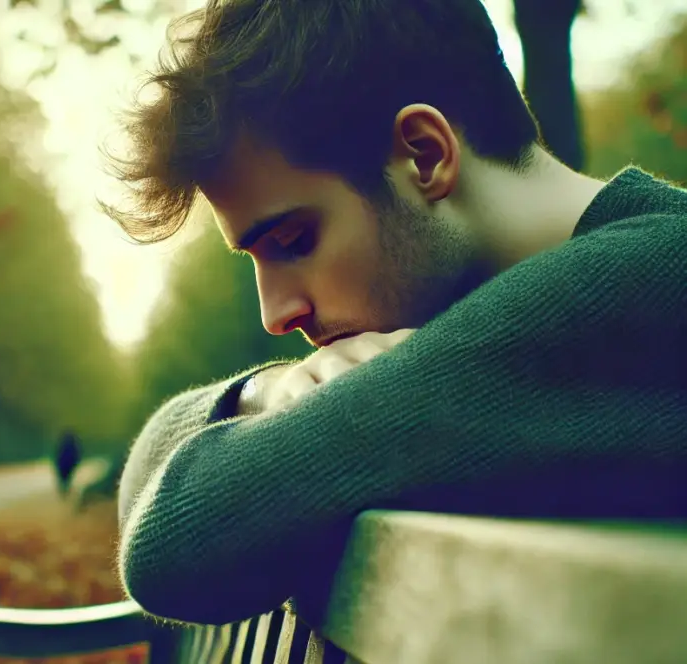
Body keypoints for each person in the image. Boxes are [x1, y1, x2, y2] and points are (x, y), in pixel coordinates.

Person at [103, 0, 687, 626]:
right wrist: (268, 392)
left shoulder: (648, 285)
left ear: (425, 155)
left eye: (295, 241)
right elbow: (145, 473)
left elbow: (176, 546)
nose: (276, 315)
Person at [53, 430, 81, 499]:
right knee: (68, 478)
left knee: (63, 478)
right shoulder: (74, 444)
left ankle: (63, 490)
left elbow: (57, 454)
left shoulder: (62, 444)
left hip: (62, 464)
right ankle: (65, 490)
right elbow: (77, 454)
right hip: (69, 464)